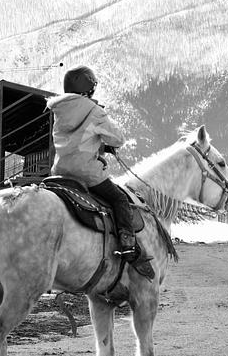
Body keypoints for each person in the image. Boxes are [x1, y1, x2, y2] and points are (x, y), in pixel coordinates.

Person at [47, 66, 154, 280]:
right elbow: (118, 138)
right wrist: (104, 143)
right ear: (88, 87)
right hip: (86, 172)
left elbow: (74, 140)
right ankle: (128, 245)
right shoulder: (93, 110)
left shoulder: (59, 109)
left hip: (60, 172)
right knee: (119, 199)